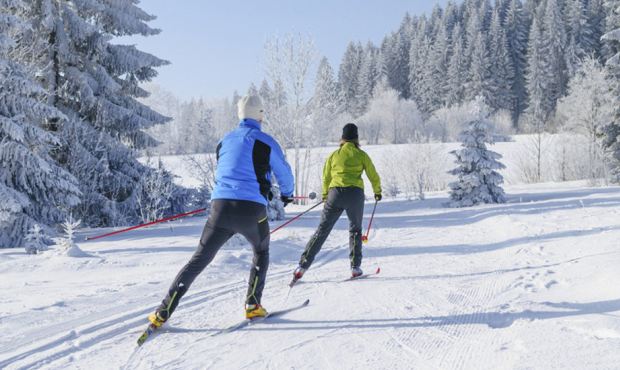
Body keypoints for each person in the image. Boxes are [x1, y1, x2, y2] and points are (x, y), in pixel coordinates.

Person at [147, 95, 295, 328]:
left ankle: (163, 311)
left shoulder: (224, 141)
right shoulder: (266, 141)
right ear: (261, 115)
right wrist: (287, 194)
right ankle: (253, 305)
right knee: (261, 250)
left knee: (198, 260)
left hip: (219, 208)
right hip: (251, 210)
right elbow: (284, 173)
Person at [292, 123, 381, 281]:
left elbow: (326, 176)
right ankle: (355, 267)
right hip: (355, 194)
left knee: (322, 230)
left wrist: (326, 194)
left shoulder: (334, 155)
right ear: (356, 138)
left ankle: (302, 266)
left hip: (335, 194)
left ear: (343, 138)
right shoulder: (362, 155)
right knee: (355, 230)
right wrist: (377, 191)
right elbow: (372, 173)